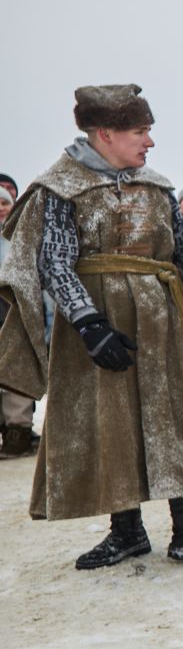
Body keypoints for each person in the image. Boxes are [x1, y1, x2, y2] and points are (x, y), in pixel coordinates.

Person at [0, 84, 183, 569]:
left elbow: (182, 249)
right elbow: (56, 264)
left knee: (177, 418)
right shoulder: (61, 188)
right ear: (105, 133)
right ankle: (125, 532)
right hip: (98, 319)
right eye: (141, 132)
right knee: (111, 422)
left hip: (163, 319)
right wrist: (88, 325)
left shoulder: (157, 186)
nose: (150, 143)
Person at [0, 182, 40, 458]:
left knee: (16, 372)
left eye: (3, 203)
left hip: (14, 311)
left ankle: (18, 437)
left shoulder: (20, 236)